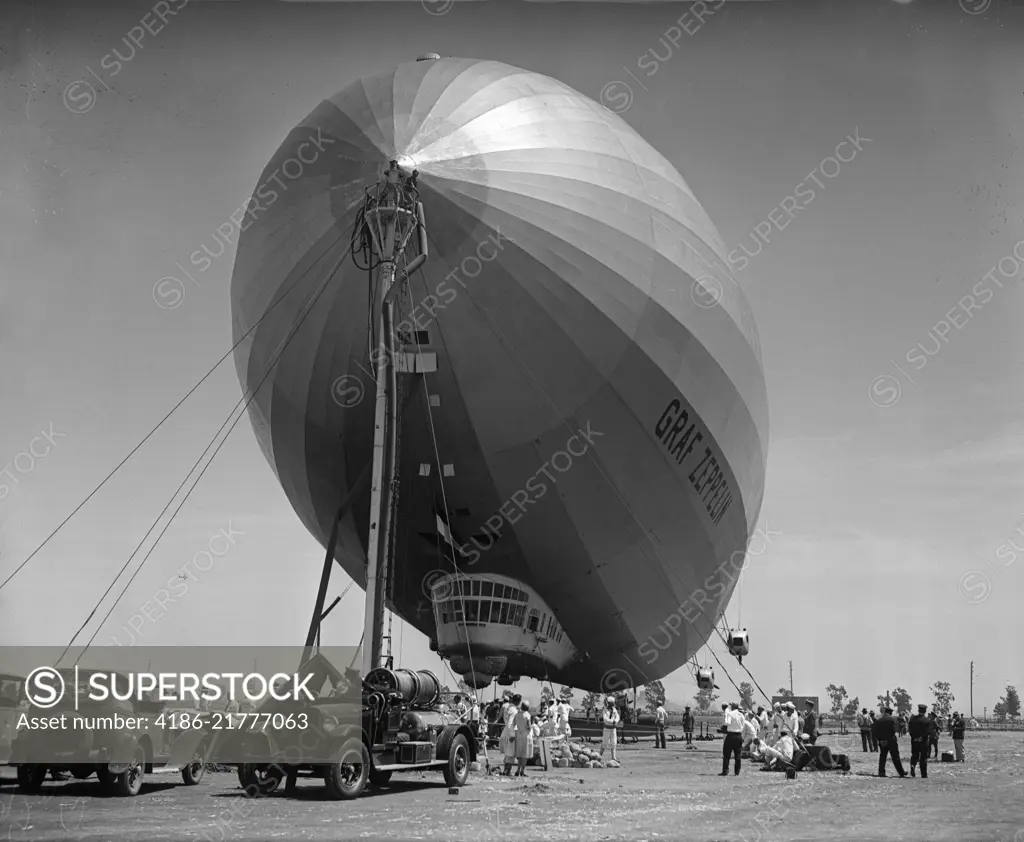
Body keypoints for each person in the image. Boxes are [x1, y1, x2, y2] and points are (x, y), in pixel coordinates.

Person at [872, 706, 906, 778]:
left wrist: (880, 740)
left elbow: (874, 732)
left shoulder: (879, 721)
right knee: (895, 757)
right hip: (891, 741)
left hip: (882, 742)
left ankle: (881, 772)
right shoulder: (893, 719)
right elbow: (895, 729)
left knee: (883, 757)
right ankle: (901, 772)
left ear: (885, 712)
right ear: (890, 713)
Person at [720, 702, 744, 776]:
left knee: (727, 754)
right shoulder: (741, 715)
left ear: (733, 707)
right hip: (739, 735)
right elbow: (743, 725)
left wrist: (723, 729)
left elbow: (726, 723)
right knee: (738, 755)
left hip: (731, 735)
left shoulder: (730, 714)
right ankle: (737, 772)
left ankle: (725, 771)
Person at [908, 703, 931, 779]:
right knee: (923, 758)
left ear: (918, 710)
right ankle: (923, 774)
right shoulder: (927, 720)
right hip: (923, 742)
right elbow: (928, 732)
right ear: (925, 711)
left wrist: (915, 737)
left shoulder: (913, 719)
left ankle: (912, 765)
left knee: (914, 755)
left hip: (914, 741)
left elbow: (910, 730)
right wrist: (921, 737)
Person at [501, 693, 521, 775]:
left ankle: (506, 770)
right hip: (511, 731)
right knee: (510, 752)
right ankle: (507, 771)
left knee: (508, 752)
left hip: (506, 730)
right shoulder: (513, 710)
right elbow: (510, 723)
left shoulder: (508, 708)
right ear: (518, 701)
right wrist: (512, 734)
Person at [512, 700, 534, 777]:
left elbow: (514, 723)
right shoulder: (527, 715)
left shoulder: (517, 714)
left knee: (520, 754)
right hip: (526, 735)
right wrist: (532, 726)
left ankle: (518, 769)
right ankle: (522, 771)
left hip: (519, 734)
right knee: (525, 755)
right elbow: (528, 726)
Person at [600, 696, 620, 763]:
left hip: (613, 729)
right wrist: (612, 721)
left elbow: (617, 716)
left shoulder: (614, 710)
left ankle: (613, 758)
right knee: (604, 743)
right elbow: (605, 719)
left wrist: (616, 721)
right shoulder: (605, 710)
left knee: (613, 743)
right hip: (607, 729)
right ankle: (599, 757)